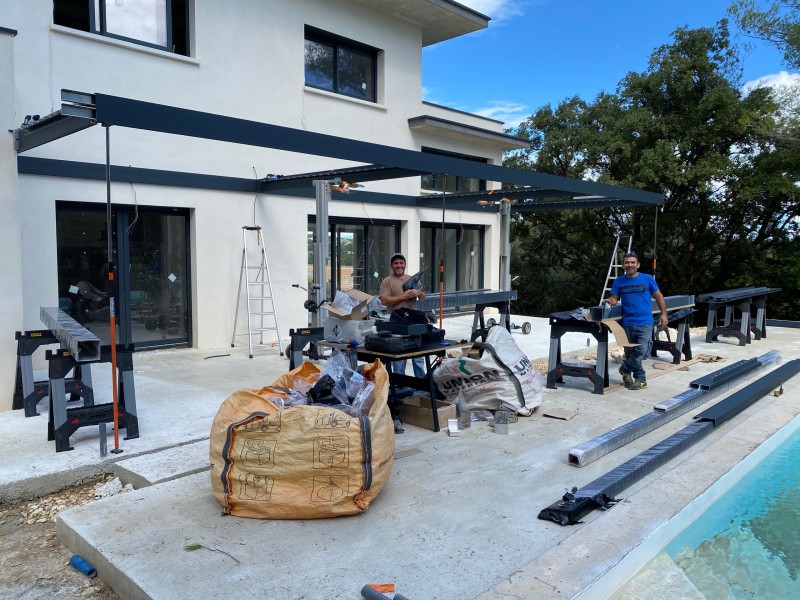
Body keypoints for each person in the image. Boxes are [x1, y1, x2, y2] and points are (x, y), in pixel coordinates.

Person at [604, 251, 668, 390]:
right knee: (630, 353)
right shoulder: (619, 281)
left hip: (645, 322)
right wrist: (610, 301)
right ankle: (640, 379)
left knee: (642, 351)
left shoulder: (647, 278)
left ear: (638, 265)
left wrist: (664, 314)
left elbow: (658, 296)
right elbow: (615, 298)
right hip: (627, 323)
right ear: (623, 265)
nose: (630, 265)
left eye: (633, 262)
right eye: (627, 262)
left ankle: (625, 369)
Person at [378, 253, 427, 379]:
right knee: (398, 357)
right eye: (396, 263)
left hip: (414, 320)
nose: (399, 265)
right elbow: (384, 301)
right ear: (392, 265)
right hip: (396, 323)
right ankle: (400, 388)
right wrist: (403, 296)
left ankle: (420, 385)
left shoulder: (413, 279)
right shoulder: (387, 281)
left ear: (405, 264)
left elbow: (423, 297)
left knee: (418, 356)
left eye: (401, 263)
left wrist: (418, 292)